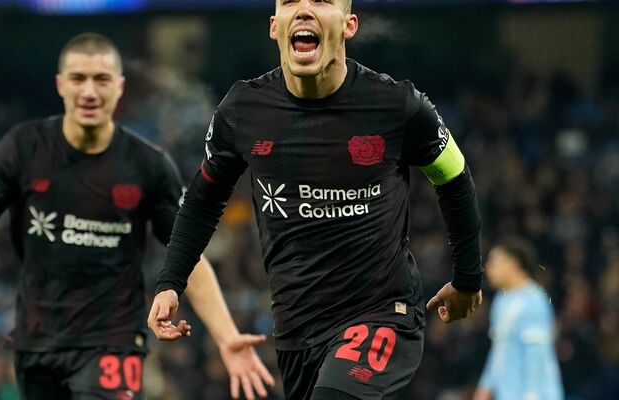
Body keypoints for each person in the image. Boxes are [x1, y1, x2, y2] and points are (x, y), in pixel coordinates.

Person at [0, 32, 274, 400]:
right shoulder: (22, 149)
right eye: (78, 79)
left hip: (112, 343)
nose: (89, 91)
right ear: (60, 84)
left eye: (101, 79)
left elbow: (189, 256)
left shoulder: (148, 166)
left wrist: (226, 336)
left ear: (119, 87)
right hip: (37, 345)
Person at [148, 1, 484, 399]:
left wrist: (467, 278)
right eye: (291, 1)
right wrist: (171, 283)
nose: (305, 9)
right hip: (296, 332)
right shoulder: (242, 111)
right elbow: (202, 202)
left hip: (381, 315)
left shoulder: (398, 106)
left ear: (349, 25)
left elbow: (454, 177)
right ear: (275, 26)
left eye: (322, 0)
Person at [474, 237, 564, 400]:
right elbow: (499, 348)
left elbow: (537, 352)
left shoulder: (533, 300)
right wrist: (485, 386)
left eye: (494, 262)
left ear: (513, 264)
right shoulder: (501, 300)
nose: (488, 268)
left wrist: (531, 395)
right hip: (507, 394)